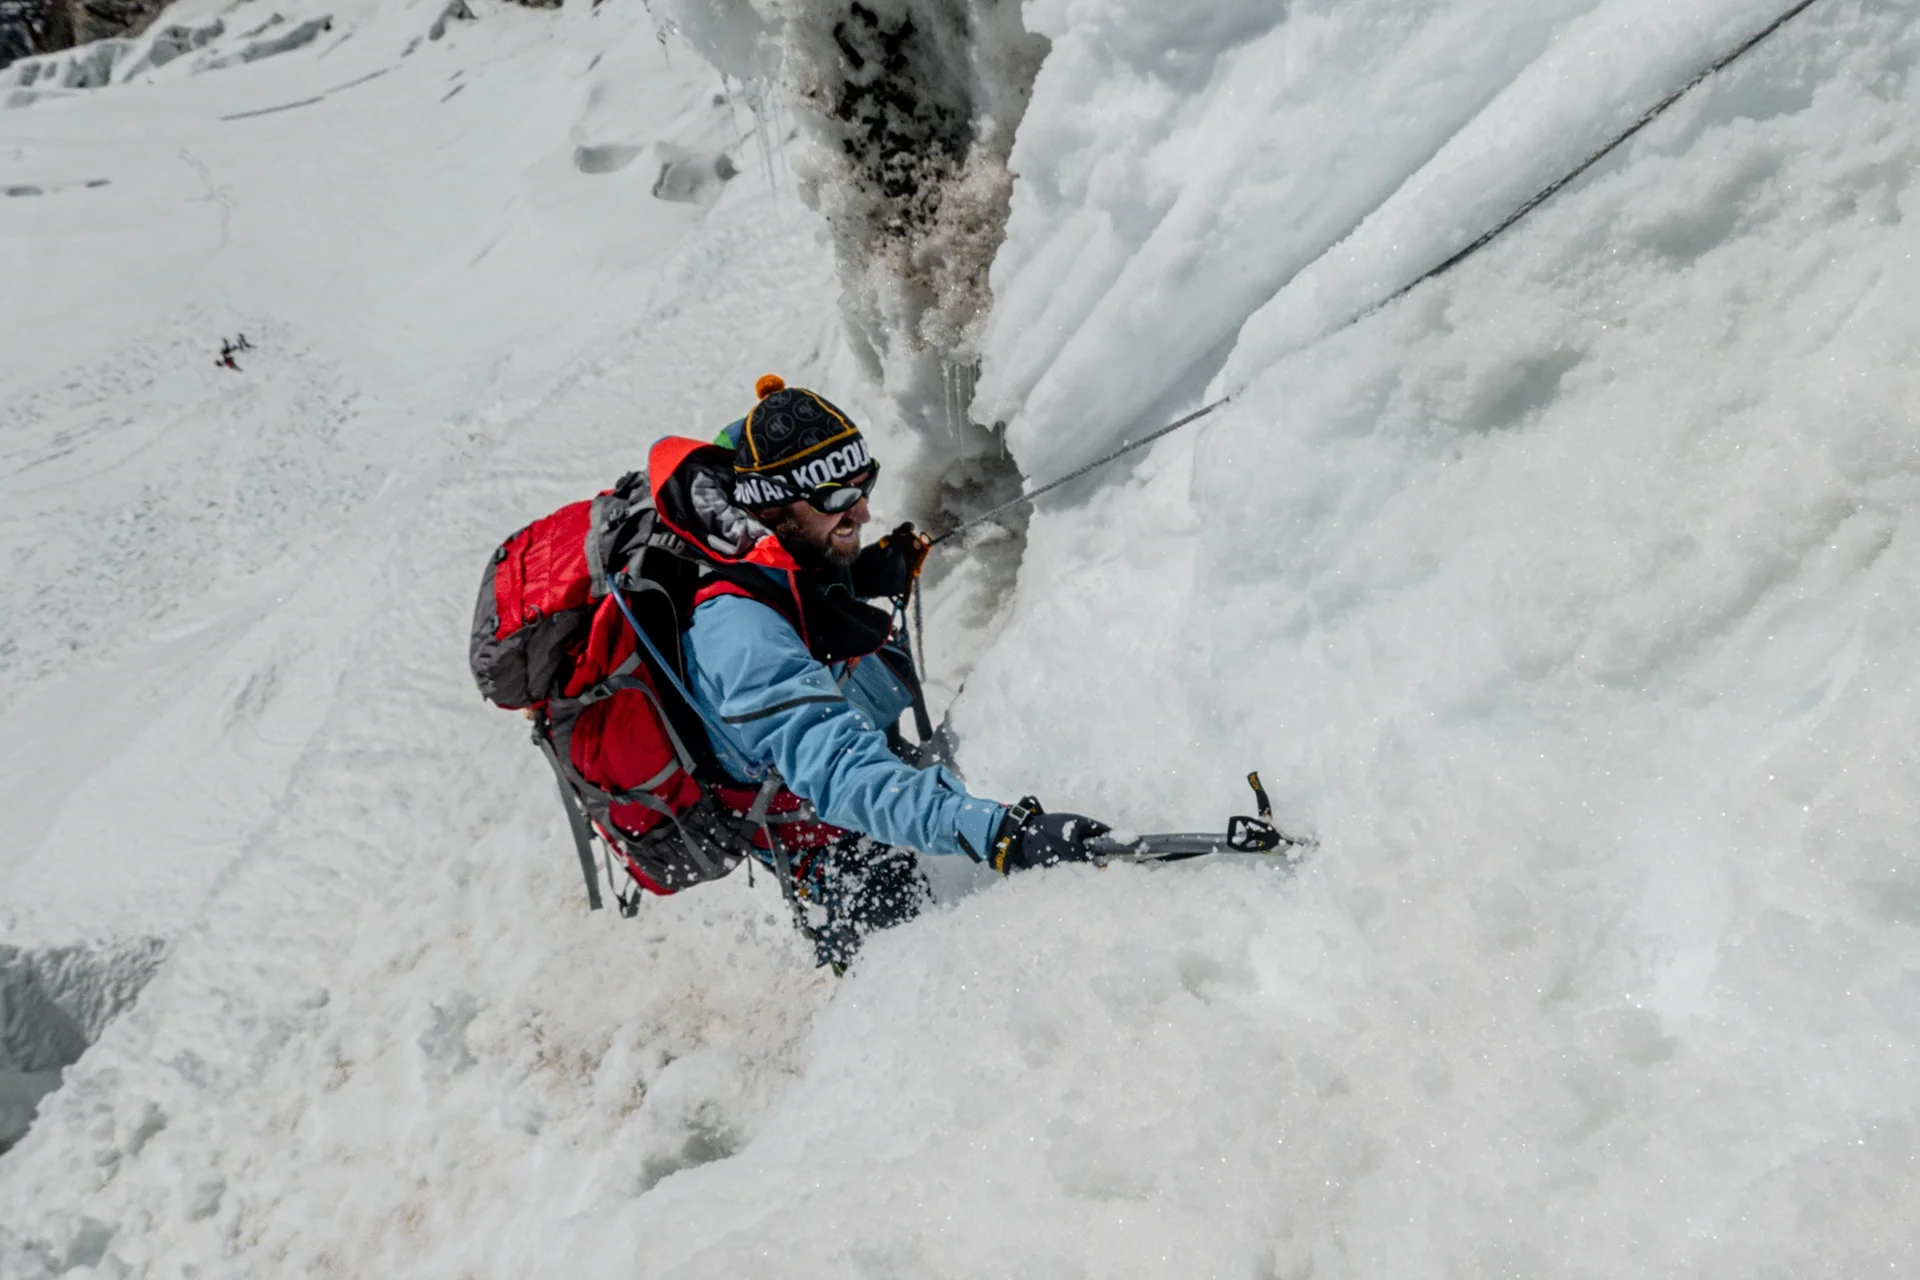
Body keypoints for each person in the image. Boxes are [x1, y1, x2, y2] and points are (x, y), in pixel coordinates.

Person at [654, 374, 1113, 967]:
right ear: (771, 504)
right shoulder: (739, 636)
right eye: (838, 499)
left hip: (852, 767)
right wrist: (1001, 834)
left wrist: (864, 568)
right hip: (823, 832)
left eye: (863, 482)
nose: (865, 508)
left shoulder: (774, 537)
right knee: (912, 972)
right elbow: (841, 775)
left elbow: (795, 572)